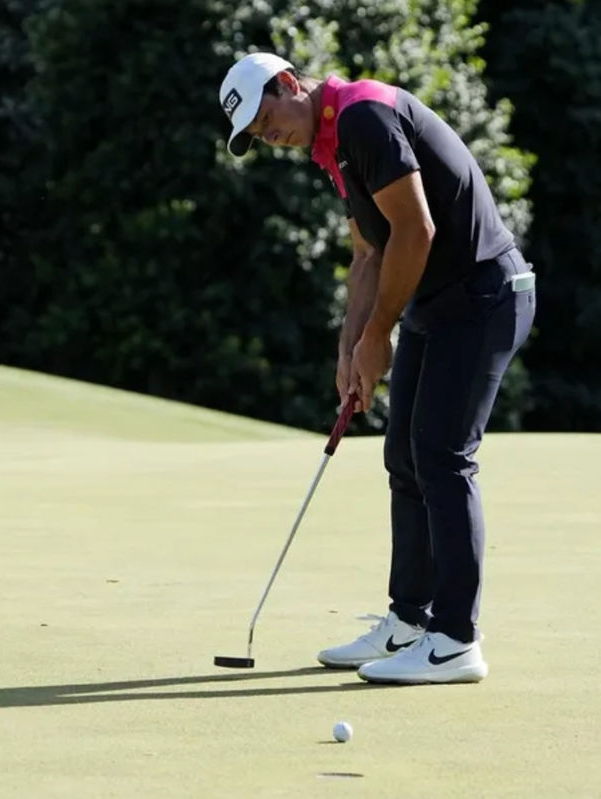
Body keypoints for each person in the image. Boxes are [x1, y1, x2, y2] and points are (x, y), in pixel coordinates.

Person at [218, 52, 536, 684]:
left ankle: (455, 640)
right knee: (404, 456)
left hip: (484, 294)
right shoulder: (332, 144)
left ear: (290, 84)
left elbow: (415, 231)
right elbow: (368, 252)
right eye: (255, 133)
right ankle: (410, 621)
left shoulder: (363, 116)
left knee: (441, 455)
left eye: (266, 118)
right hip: (437, 299)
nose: (268, 135)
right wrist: (351, 347)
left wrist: (380, 333)